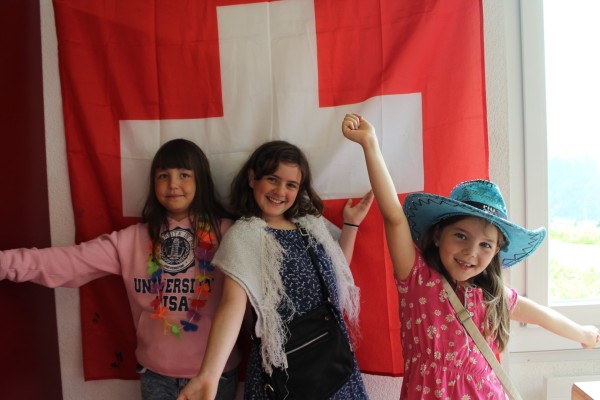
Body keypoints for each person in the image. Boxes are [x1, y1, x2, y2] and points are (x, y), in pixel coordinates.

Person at [341, 113, 600, 399]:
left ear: (496, 252)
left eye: (485, 245)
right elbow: (394, 216)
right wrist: (370, 144)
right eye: (461, 236)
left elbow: (543, 316)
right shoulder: (417, 278)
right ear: (438, 235)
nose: (471, 252)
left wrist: (584, 334)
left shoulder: (492, 296)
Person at [0, 139, 242, 400]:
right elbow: (67, 261)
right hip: (156, 375)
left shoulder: (228, 234)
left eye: (184, 175)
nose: (173, 184)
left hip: (215, 375)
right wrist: (4, 263)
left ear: (201, 180)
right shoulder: (132, 239)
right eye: (163, 175)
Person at [177, 140, 373, 400]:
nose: (280, 191)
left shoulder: (310, 224)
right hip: (285, 377)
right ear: (252, 178)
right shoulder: (244, 236)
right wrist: (208, 376)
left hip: (333, 364)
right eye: (272, 179)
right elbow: (231, 305)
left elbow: (335, 272)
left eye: (291, 185)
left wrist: (351, 224)